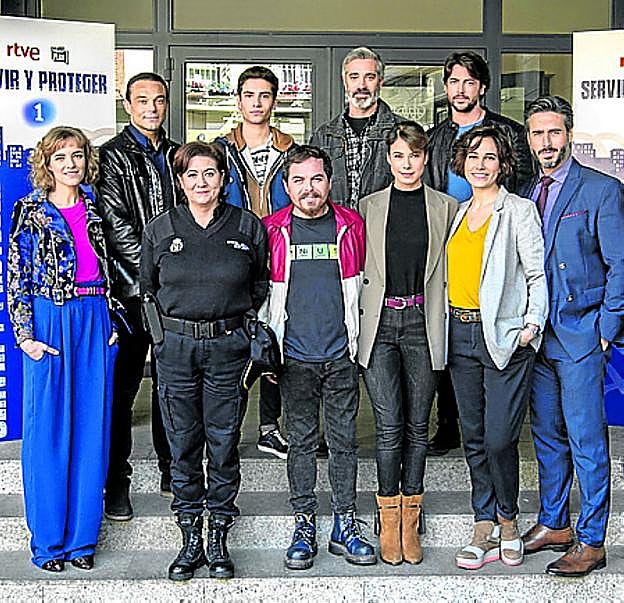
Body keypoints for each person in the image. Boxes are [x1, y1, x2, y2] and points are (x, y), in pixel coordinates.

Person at [140, 141, 268, 581]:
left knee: (224, 440)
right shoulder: (160, 229)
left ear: (223, 179)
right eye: (192, 174)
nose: (201, 182)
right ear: (180, 182)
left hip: (227, 348)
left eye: (210, 173)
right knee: (183, 442)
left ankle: (218, 533)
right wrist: (162, 340)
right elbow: (148, 289)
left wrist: (239, 328)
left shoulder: (247, 227)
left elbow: (259, 284)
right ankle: (190, 533)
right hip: (175, 349)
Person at [521, 96, 624, 577]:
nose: (546, 142)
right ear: (529, 139)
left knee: (586, 441)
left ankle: (592, 540)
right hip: (539, 337)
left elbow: (620, 265)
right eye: (537, 133)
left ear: (569, 134)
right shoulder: (526, 192)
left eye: (554, 132)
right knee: (547, 437)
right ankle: (554, 522)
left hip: (582, 336)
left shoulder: (601, 189)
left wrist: (606, 330)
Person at [7, 126, 118, 572]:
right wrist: (25, 336)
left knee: (92, 429)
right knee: (48, 432)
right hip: (49, 319)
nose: (71, 164)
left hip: (94, 317)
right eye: (60, 157)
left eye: (77, 155)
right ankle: (49, 544)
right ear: (47, 164)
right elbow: (16, 274)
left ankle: (81, 541)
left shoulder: (96, 207)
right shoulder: (31, 210)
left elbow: (111, 267)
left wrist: (113, 321)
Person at [261, 145, 375, 570]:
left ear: (329, 181)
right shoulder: (272, 229)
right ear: (286, 186)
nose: (308, 188)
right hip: (294, 357)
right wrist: (268, 354)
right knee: (301, 443)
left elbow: (363, 285)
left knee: (344, 442)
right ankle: (304, 522)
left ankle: (345, 523)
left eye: (316, 179)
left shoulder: (351, 224)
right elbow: (262, 294)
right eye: (299, 180)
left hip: (341, 353)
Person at [446, 125, 547, 570]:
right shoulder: (458, 212)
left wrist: (531, 326)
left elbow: (536, 274)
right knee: (473, 436)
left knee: (500, 437)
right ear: (462, 163)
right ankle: (483, 523)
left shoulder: (518, 210)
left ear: (503, 163)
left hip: (504, 337)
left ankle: (508, 520)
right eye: (473, 156)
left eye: (489, 156)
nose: (480, 164)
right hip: (460, 334)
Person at [424, 51, 534, 457]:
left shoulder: (509, 133)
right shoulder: (436, 137)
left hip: (497, 238)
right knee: (453, 339)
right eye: (454, 82)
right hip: (453, 235)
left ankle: (494, 434)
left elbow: (522, 185)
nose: (460, 90)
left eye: (469, 82)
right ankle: (448, 426)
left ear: (482, 87)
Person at [358, 121, 457, 565]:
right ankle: (388, 518)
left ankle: (410, 517)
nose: (407, 164)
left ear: (425, 158)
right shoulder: (368, 206)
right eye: (398, 156)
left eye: (414, 155)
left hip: (422, 321)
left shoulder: (446, 207)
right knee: (388, 425)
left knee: (418, 425)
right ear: (388, 159)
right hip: (380, 323)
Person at [97, 72, 178, 519]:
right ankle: (116, 483)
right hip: (130, 293)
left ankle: (173, 472)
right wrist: (156, 273)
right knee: (122, 392)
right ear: (128, 105)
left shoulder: (176, 154)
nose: (151, 107)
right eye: (142, 100)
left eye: (159, 100)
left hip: (174, 295)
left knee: (172, 388)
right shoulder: (110, 156)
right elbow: (116, 226)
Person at [215, 65, 293, 460]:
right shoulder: (221, 150)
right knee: (233, 341)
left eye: (264, 95)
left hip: (279, 252)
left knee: (275, 336)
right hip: (234, 255)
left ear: (274, 101)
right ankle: (227, 428)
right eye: (249, 95)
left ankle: (269, 428)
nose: (257, 103)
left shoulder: (290, 149)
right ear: (239, 100)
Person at [310, 46, 404, 211]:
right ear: (345, 81)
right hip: (337, 225)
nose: (362, 85)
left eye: (370, 77)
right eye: (354, 77)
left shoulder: (401, 131)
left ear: (380, 81)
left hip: (385, 224)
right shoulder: (323, 136)